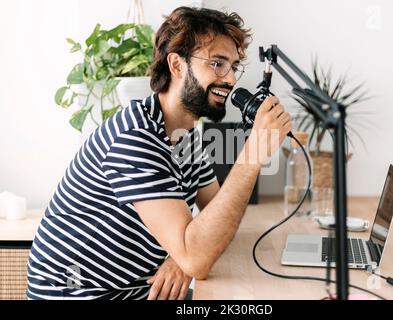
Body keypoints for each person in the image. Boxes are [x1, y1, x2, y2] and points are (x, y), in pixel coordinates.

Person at [27, 6, 292, 300]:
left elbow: (219, 215)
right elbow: (198, 257)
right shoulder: (136, 138)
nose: (230, 79)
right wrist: (252, 154)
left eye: (233, 66)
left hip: (136, 292)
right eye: (217, 63)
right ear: (177, 66)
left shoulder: (184, 136)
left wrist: (181, 256)